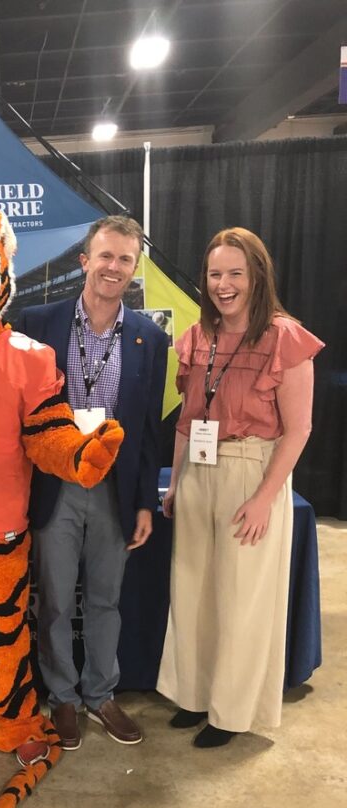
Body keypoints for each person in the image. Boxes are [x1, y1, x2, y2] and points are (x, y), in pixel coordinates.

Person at [157, 228, 323, 747]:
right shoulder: (197, 336)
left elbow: (298, 429)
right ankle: (195, 695)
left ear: (256, 276)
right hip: (199, 472)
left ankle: (230, 713)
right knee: (193, 591)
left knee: (240, 596)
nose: (223, 285)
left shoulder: (284, 337)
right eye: (215, 274)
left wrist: (264, 498)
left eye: (235, 273)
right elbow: (187, 418)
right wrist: (176, 480)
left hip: (251, 469)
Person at [15, 216, 169, 750]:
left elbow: (150, 430)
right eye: (105, 256)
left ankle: (101, 693)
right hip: (54, 486)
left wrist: (145, 503)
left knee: (105, 600)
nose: (114, 267)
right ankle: (61, 697)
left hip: (114, 491)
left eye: (125, 259)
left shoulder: (150, 337)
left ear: (134, 268)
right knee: (55, 601)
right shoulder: (38, 324)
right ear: (85, 260)